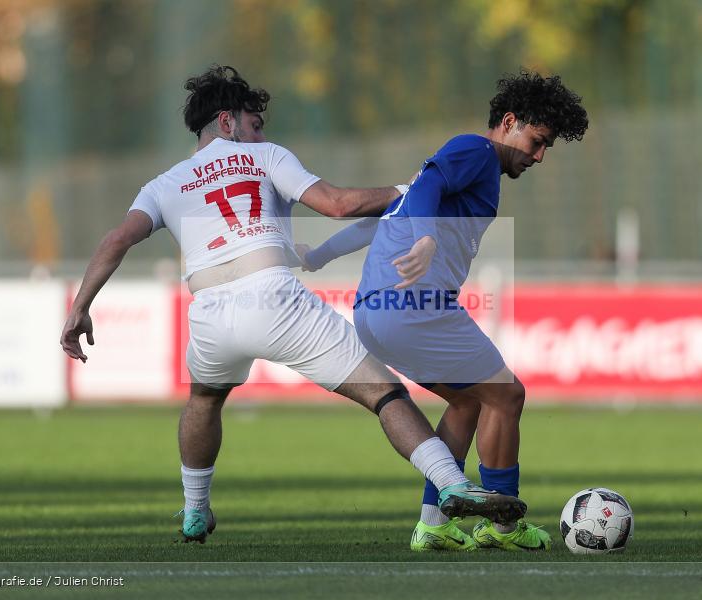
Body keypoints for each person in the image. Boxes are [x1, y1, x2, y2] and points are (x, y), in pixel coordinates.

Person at [59, 65, 525, 545]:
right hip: (274, 299)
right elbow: (337, 204)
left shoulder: (164, 184)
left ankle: (195, 511)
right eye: (255, 123)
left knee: (204, 399)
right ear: (227, 122)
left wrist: (80, 306)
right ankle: (452, 485)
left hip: (210, 312)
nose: (262, 133)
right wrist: (403, 193)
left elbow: (117, 239)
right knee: (385, 394)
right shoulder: (264, 157)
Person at [298, 70, 588, 551]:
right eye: (537, 141)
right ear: (509, 121)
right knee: (506, 396)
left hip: (377, 311)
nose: (538, 156)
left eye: (547, 148)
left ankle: (434, 523)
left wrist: (320, 256)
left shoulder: (471, 167)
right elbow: (429, 187)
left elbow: (391, 212)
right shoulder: (473, 150)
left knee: (469, 399)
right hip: (413, 305)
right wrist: (428, 236)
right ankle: (503, 525)